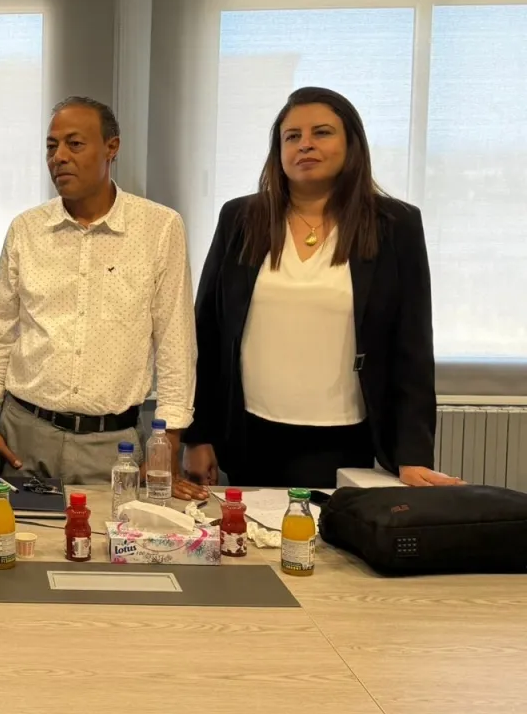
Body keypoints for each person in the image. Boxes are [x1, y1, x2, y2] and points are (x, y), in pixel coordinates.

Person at [184, 86, 463, 488]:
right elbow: (207, 334)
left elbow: (412, 348)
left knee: (326, 529)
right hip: (247, 434)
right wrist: (197, 437)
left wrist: (413, 455)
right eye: (292, 136)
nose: (305, 144)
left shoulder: (395, 225)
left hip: (345, 436)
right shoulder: (241, 218)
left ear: (352, 143)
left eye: (322, 132)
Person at [0, 97, 205, 495]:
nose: (59, 157)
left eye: (75, 144)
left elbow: (175, 344)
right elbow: (3, 333)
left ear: (111, 148)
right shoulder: (26, 229)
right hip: (24, 433)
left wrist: (167, 443)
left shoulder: (159, 228)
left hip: (112, 446)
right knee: (15, 535)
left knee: (106, 536)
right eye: (52, 146)